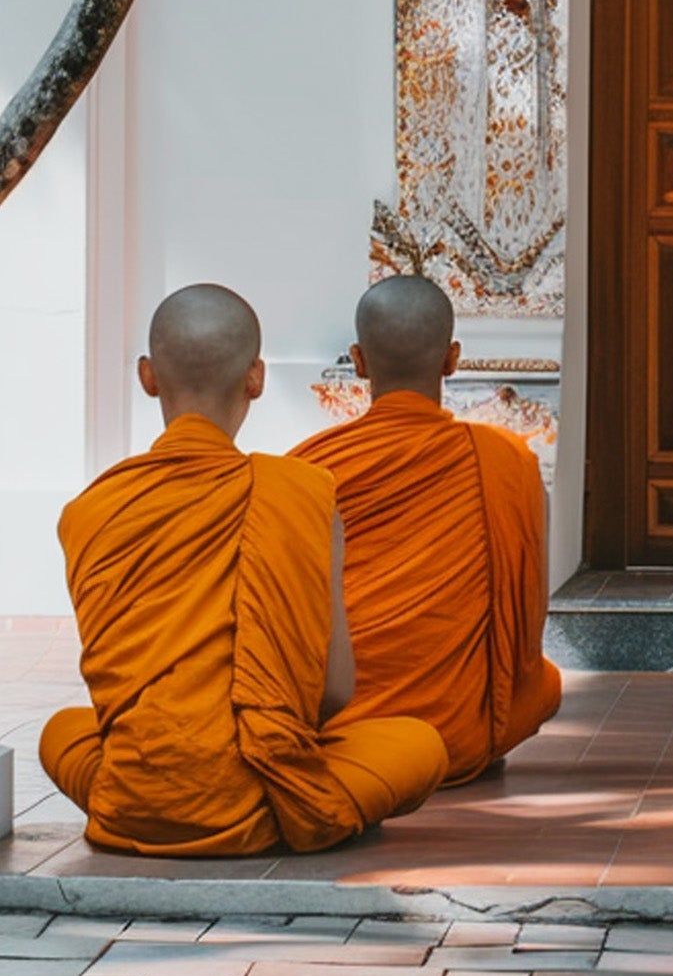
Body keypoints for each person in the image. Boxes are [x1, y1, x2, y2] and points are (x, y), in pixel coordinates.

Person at [40, 285, 449, 856]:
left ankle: (161, 799)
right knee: (420, 744)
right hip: (267, 800)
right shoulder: (300, 491)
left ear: (147, 377)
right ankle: (287, 804)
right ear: (255, 378)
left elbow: (114, 696)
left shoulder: (89, 510)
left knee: (60, 733)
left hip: (135, 805)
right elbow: (333, 693)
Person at [292, 275, 560, 785]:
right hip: (460, 739)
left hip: (332, 734)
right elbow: (527, 620)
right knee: (543, 685)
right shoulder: (506, 460)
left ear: (359, 359)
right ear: (452, 358)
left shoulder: (309, 467)